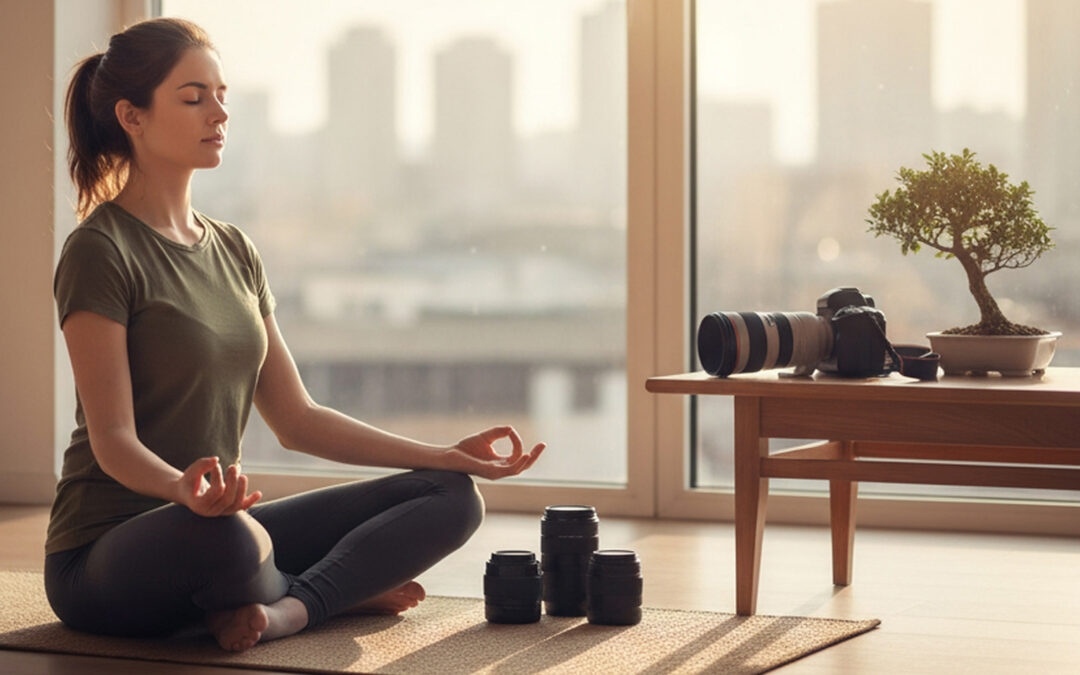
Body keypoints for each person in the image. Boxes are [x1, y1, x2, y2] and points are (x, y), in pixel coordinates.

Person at [47, 17, 545, 653]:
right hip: (105, 549)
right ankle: (330, 591)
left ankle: (290, 609)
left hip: (217, 521)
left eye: (222, 94)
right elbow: (113, 440)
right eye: (193, 97)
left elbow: (298, 419)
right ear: (131, 116)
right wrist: (182, 489)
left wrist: (444, 454)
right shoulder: (99, 249)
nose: (219, 112)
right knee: (233, 540)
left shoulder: (234, 249)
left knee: (450, 497)